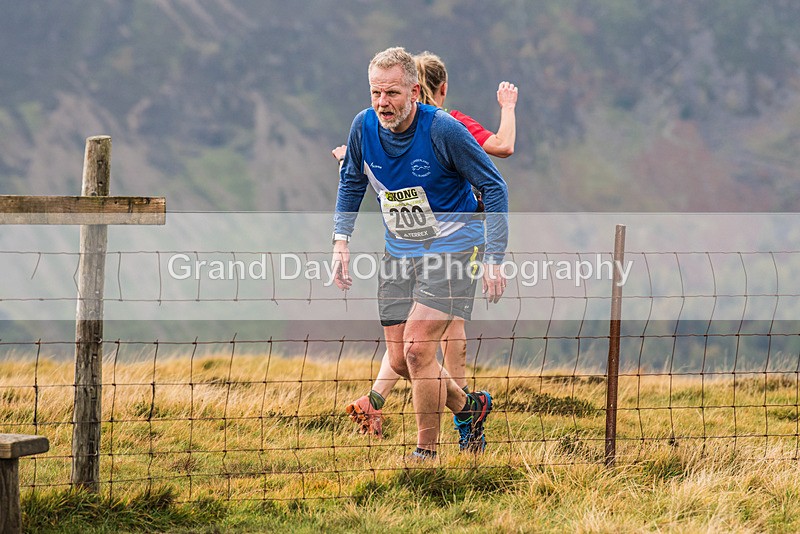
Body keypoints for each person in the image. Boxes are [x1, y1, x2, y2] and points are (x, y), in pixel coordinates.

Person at [332, 47, 509, 459]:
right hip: (399, 254)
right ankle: (470, 408)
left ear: (415, 90)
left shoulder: (443, 130)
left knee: (417, 348)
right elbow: (351, 180)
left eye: (392, 93)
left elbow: (495, 186)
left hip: (454, 249)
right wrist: (341, 240)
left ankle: (425, 455)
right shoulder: (363, 127)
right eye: (376, 92)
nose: (382, 103)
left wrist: (494, 257)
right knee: (400, 359)